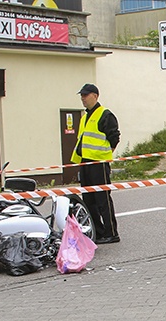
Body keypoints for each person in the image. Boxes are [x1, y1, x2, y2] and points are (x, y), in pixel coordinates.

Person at [71, 83, 121, 243]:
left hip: (99, 163)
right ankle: (98, 232)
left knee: (103, 199)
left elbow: (114, 138)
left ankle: (111, 233)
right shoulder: (85, 117)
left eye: (85, 95)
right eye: (81, 96)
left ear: (95, 96)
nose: (83, 99)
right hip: (85, 163)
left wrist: (105, 155)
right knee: (89, 200)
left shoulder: (105, 115)